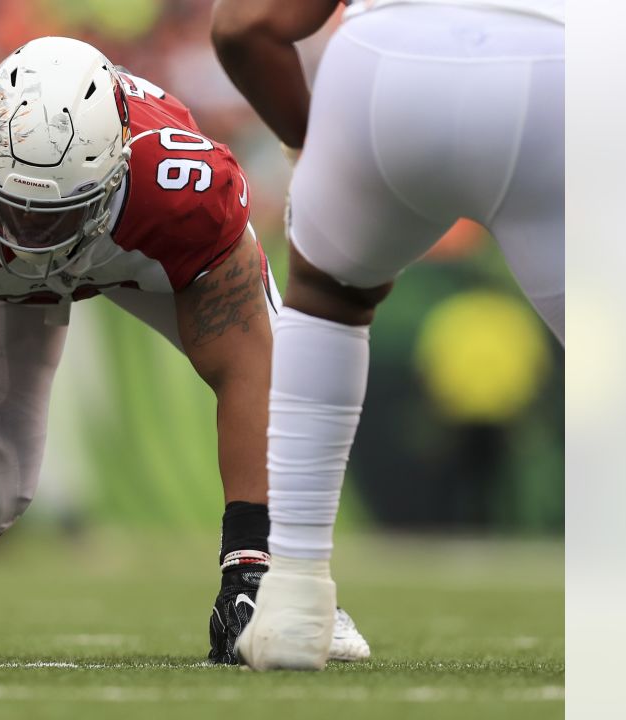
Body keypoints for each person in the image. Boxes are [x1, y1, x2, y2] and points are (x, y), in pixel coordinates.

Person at [0, 36, 368, 665]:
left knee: (286, 370)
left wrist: (252, 572)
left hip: (127, 250)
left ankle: (285, 582)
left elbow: (249, 371)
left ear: (117, 168)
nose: (31, 236)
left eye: (53, 215)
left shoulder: (182, 191)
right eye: (16, 209)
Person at [210, 0, 564, 670]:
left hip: (386, 64)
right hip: (556, 63)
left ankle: (292, 597)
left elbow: (241, 26)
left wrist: (319, 154)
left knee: (329, 293)